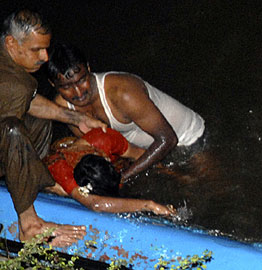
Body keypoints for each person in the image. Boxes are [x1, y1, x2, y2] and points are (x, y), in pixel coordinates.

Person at [1, 10, 104, 246]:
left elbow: (31, 102)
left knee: (39, 120)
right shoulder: (13, 83)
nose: (45, 57)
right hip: (8, 136)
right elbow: (9, 134)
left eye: (46, 49)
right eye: (36, 50)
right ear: (11, 43)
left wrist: (76, 118)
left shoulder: (12, 68)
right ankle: (29, 225)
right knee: (13, 130)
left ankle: (40, 182)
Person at [46, 42, 205, 182]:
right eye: (66, 87)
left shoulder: (122, 93)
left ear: (88, 68)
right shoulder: (62, 109)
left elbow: (168, 139)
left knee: (207, 185)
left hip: (190, 140)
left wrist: (122, 177)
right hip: (144, 151)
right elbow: (99, 148)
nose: (78, 92)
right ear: (53, 84)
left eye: (81, 80)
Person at [43, 127, 175, 216]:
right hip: (63, 182)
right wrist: (149, 205)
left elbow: (141, 155)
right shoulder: (60, 169)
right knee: (59, 190)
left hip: (113, 170)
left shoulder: (104, 139)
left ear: (106, 158)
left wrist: (173, 174)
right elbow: (96, 204)